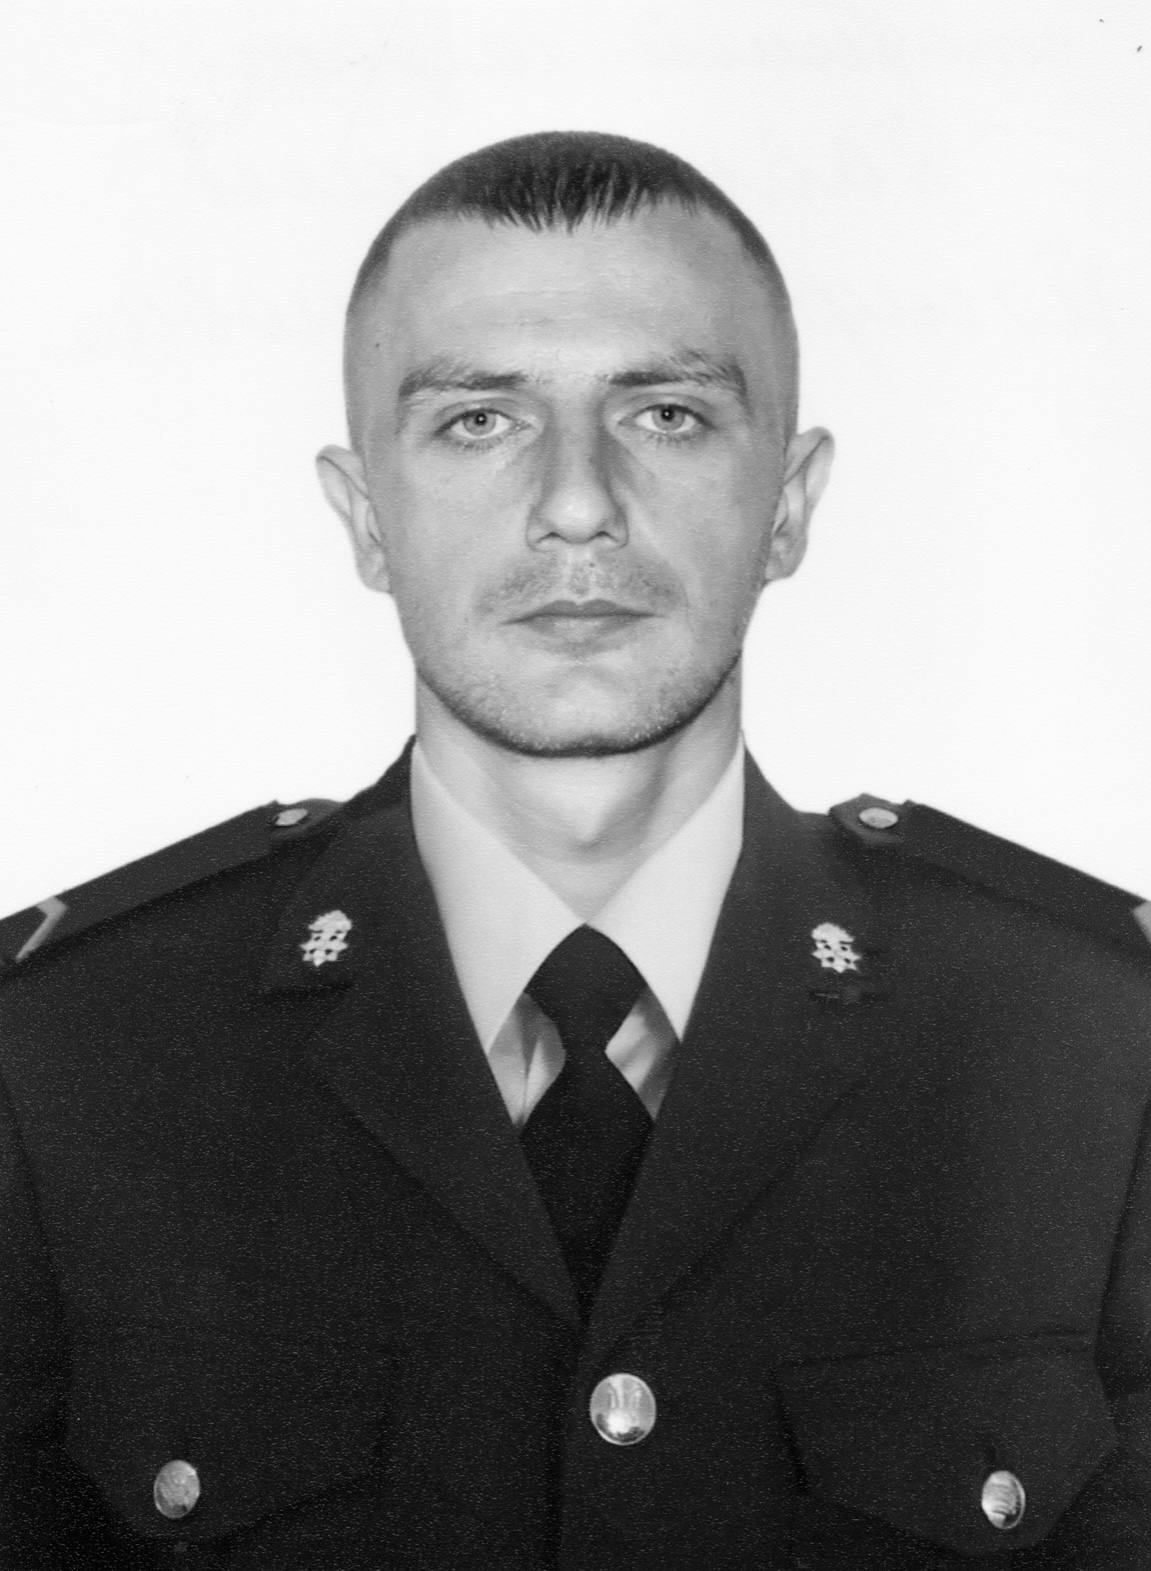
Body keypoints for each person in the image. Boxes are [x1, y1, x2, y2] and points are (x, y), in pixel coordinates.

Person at [1, 131, 1149, 1571]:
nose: (578, 503)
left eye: (666, 413)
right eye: (479, 420)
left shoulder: (1095, 1051)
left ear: (789, 505)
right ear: (365, 517)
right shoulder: (63, 1061)